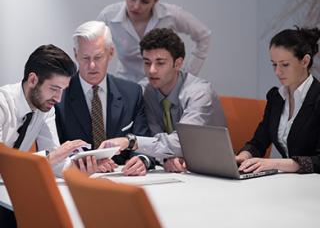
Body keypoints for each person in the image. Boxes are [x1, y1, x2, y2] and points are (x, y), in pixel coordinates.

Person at [100, 28, 226, 172]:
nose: (152, 70)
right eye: (147, 62)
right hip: (176, 171)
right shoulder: (146, 91)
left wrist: (131, 141)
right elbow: (153, 136)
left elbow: (184, 141)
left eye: (160, 63)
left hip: (214, 167)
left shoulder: (199, 93)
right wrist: (166, 157)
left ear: (178, 64)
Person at [0, 44, 98, 227]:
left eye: (63, 90)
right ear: (32, 80)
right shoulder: (2, 104)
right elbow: (6, 166)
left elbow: (55, 161)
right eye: (54, 88)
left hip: (12, 194)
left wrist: (80, 168)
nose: (59, 98)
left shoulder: (45, 107)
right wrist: (48, 158)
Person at [55, 21, 154, 176]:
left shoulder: (132, 93)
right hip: (76, 182)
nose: (92, 65)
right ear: (75, 54)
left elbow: (145, 141)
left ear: (111, 52)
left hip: (124, 179)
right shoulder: (59, 95)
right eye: (85, 58)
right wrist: (89, 163)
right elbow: (53, 151)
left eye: (98, 57)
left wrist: (142, 160)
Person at [97, 0, 211, 85]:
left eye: (144, 2)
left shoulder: (171, 15)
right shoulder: (108, 16)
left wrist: (186, 77)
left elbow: (204, 35)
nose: (136, 6)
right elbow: (92, 49)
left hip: (163, 89)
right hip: (126, 86)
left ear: (156, 0)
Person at [236, 27, 320, 174]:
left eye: (284, 64)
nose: (277, 72)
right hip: (288, 183)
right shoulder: (276, 98)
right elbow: (258, 142)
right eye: (274, 64)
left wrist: (275, 163)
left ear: (305, 61)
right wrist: (243, 157)